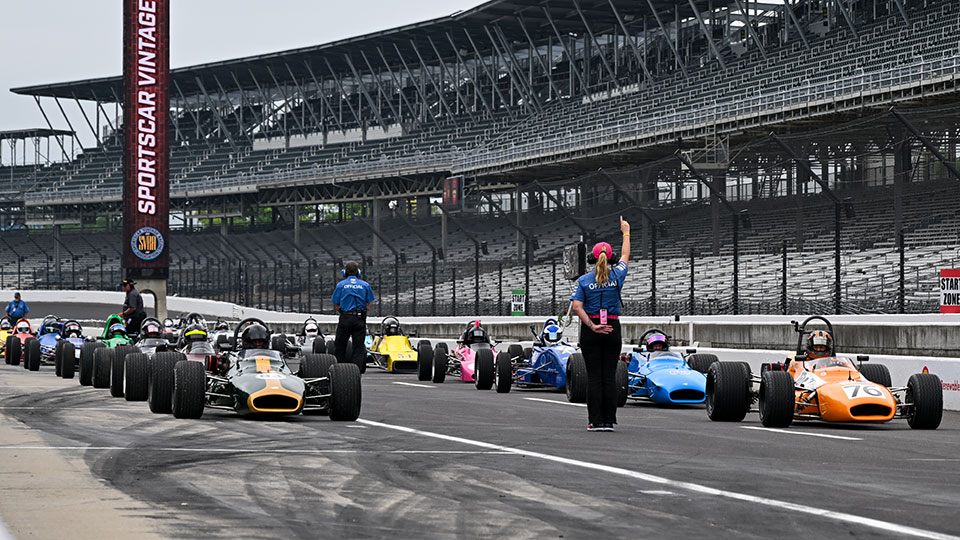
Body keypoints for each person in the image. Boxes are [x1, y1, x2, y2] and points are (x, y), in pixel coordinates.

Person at [571, 216, 630, 432]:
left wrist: (592, 326)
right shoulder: (618, 274)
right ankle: (608, 421)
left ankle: (595, 421)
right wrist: (626, 232)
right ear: (611, 258)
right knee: (609, 376)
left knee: (594, 377)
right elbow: (626, 255)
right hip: (613, 328)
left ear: (591, 259)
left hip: (592, 330)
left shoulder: (584, 280)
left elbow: (577, 307)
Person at [331, 261, 375, 369]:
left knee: (340, 346)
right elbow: (368, 305)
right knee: (358, 347)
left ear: (344, 273)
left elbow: (336, 305)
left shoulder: (341, 285)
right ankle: (356, 370)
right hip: (359, 319)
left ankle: (339, 369)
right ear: (358, 273)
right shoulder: (365, 285)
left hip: (345, 317)